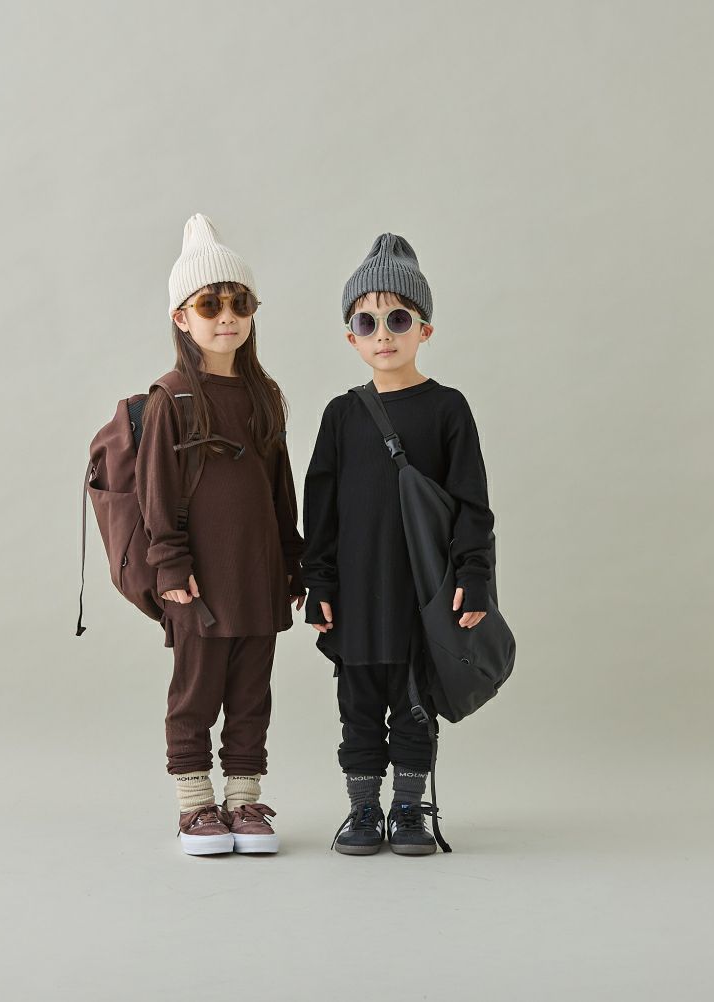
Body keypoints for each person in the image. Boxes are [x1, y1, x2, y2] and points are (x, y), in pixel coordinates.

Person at [302, 233, 495, 856]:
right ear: (351, 337)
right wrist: (319, 582)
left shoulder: (448, 409)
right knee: (357, 707)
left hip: (423, 593)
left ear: (425, 330)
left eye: (398, 319)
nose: (383, 333)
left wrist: (474, 575)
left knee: (415, 706)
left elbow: (471, 503)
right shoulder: (341, 415)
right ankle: (363, 810)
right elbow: (320, 510)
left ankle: (410, 809)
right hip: (357, 595)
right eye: (367, 321)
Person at [137, 213, 305, 855]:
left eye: (240, 304)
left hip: (257, 575)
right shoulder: (172, 398)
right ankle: (195, 807)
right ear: (182, 318)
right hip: (198, 582)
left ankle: (243, 802)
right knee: (196, 692)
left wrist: (293, 563)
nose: (227, 317)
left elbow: (280, 491)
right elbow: (156, 495)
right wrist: (170, 566)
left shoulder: (263, 393)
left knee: (251, 695)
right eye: (210, 305)